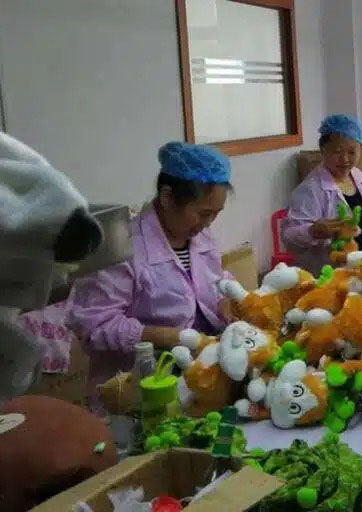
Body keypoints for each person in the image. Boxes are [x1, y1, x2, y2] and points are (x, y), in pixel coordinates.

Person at [67, 141, 236, 413]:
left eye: (215, 215)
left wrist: (226, 298)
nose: (208, 224)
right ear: (168, 197)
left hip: (198, 380)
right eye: (204, 214)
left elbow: (211, 278)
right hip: (136, 391)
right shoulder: (123, 249)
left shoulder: (200, 236)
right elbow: (93, 325)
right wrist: (163, 336)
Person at [282, 114, 362, 273]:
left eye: (351, 152)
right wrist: (312, 231)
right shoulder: (310, 190)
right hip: (331, 274)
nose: (344, 159)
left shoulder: (357, 175)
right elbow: (289, 236)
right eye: (337, 152)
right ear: (323, 150)